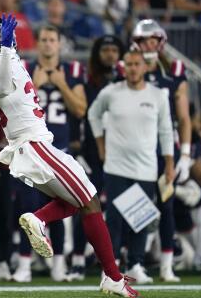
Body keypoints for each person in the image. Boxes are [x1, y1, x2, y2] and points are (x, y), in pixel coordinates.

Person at [0, 13, 138, 297]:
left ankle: (42, 221)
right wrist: (5, 51)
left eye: (1, 35)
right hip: (34, 144)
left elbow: (2, 100)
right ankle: (111, 275)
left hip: (33, 145)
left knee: (79, 202)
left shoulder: (7, 60)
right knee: (90, 200)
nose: (1, 40)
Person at [89, 49, 174, 285]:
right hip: (116, 166)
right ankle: (110, 267)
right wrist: (100, 144)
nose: (133, 68)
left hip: (146, 167)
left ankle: (136, 264)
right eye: (129, 64)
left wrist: (169, 163)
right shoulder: (111, 92)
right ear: (123, 67)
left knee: (140, 219)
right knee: (114, 219)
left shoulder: (158, 95)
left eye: (137, 64)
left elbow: (166, 130)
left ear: (145, 67)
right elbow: (93, 114)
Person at [11, 25, 86, 283]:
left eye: (52, 40)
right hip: (32, 149)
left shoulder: (71, 72)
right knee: (28, 208)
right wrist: (36, 85)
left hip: (60, 150)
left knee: (62, 207)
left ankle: (58, 265)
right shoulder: (25, 70)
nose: (47, 44)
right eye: (43, 39)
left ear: (59, 43)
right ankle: (24, 265)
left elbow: (80, 110)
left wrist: (61, 85)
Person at [130, 19, 192, 282]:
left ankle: (167, 264)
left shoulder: (174, 71)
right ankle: (135, 262)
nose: (150, 45)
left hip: (165, 149)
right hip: (136, 148)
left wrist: (186, 153)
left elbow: (184, 117)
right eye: (145, 41)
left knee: (165, 208)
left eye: (153, 40)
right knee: (136, 206)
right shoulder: (130, 68)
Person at [69, 35, 125, 281]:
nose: (111, 54)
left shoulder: (126, 81)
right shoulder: (87, 81)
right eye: (106, 49)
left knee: (118, 208)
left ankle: (119, 259)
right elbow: (78, 116)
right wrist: (77, 149)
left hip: (121, 152)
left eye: (115, 50)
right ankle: (79, 259)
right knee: (85, 204)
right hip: (92, 153)